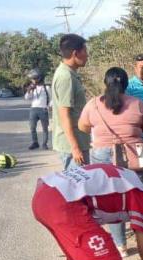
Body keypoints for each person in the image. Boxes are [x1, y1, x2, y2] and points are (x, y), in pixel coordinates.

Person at [78, 67, 143, 257]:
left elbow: (82, 126)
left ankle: (121, 245)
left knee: (111, 199)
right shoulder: (137, 104)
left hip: (103, 155)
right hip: (136, 153)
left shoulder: (93, 105)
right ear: (127, 85)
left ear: (105, 83)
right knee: (141, 196)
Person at [51, 33, 90, 170]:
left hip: (78, 141)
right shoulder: (65, 77)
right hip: (72, 146)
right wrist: (75, 148)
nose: (87, 55)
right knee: (78, 188)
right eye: (85, 51)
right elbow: (64, 115)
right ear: (75, 53)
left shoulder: (70, 74)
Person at [24, 69, 50, 150]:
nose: (33, 81)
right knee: (32, 127)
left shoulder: (47, 87)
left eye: (34, 79)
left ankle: (44, 144)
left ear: (38, 78)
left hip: (43, 109)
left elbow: (51, 98)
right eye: (32, 79)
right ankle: (35, 142)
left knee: (45, 128)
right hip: (33, 109)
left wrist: (49, 107)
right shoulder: (32, 88)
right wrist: (29, 90)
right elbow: (27, 98)